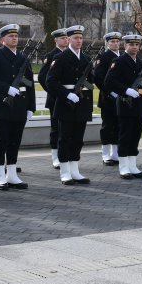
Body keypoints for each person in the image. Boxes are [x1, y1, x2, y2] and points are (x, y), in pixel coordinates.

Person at [0, 24, 35, 189]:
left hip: (20, 105)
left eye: (16, 36)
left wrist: (30, 107)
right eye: (10, 36)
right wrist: (6, 88)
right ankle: (0, 174)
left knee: (15, 141)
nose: (14, 38)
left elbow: (30, 84)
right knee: (1, 141)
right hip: (4, 105)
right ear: (2, 39)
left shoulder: (23, 57)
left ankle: (12, 174)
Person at [44, 25, 93, 185]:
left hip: (81, 103)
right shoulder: (61, 57)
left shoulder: (86, 59)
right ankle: (65, 172)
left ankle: (75, 170)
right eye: (75, 38)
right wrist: (67, 94)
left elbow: (91, 81)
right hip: (66, 103)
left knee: (78, 139)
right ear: (69, 39)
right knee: (64, 138)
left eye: (80, 38)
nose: (79, 41)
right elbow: (50, 82)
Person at [105, 34, 142, 179]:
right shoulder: (118, 61)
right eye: (131, 45)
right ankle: (124, 167)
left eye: (137, 45)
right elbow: (109, 81)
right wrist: (125, 90)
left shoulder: (141, 63)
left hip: (139, 105)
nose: (134, 47)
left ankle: (132, 165)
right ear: (125, 46)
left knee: (135, 136)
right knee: (125, 135)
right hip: (125, 104)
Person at [38, 28, 69, 169]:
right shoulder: (51, 55)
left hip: (69, 98)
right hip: (56, 99)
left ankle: (66, 154)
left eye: (66, 38)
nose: (65, 40)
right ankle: (55, 156)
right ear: (55, 40)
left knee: (68, 128)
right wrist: (54, 92)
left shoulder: (70, 54)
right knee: (56, 128)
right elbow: (43, 77)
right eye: (62, 38)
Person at [94, 31, 122, 166]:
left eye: (117, 41)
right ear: (107, 43)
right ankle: (105, 154)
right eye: (112, 41)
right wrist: (110, 92)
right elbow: (98, 78)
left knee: (118, 125)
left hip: (121, 97)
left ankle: (115, 153)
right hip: (108, 98)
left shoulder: (123, 56)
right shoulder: (103, 57)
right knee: (107, 126)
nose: (115, 44)